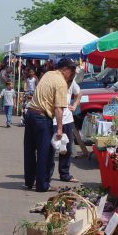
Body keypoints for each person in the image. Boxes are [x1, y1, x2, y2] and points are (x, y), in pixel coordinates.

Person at [23, 58, 76, 192]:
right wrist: (59, 128)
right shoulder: (61, 82)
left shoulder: (47, 74)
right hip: (42, 117)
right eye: (72, 71)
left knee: (29, 150)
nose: (72, 74)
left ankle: (29, 182)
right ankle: (42, 185)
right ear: (65, 69)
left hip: (30, 114)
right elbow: (59, 108)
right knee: (45, 153)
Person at [51, 80, 82, 183]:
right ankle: (47, 175)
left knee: (67, 148)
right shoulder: (53, 80)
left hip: (67, 119)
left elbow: (79, 92)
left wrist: (75, 105)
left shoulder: (71, 81)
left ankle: (64, 174)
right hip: (54, 120)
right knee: (51, 148)